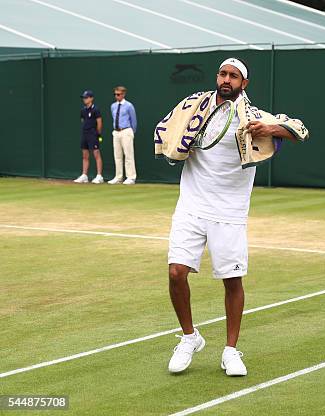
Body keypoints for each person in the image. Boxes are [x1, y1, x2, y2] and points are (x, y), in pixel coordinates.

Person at [164, 58, 309, 376]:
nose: (226, 79)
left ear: (244, 84)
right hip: (191, 205)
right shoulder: (194, 106)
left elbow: (299, 130)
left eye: (234, 76)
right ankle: (190, 337)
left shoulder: (254, 116)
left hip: (229, 212)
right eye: (222, 74)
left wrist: (269, 129)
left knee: (231, 281)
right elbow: (167, 130)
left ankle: (230, 351)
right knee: (176, 273)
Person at [109, 86, 137, 185]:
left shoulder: (129, 106)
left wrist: (131, 132)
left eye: (118, 94)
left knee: (128, 155)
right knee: (117, 156)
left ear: (123, 94)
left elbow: (133, 121)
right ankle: (118, 177)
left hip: (126, 131)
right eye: (115, 94)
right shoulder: (113, 106)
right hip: (116, 132)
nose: (116, 96)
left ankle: (131, 177)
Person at [73, 90, 104, 184]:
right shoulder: (83, 110)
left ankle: (99, 176)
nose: (84, 99)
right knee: (85, 155)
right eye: (83, 98)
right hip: (85, 134)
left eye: (86, 98)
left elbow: (99, 122)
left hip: (93, 134)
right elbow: (83, 121)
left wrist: (98, 133)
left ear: (91, 98)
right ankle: (84, 175)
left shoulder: (96, 109)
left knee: (96, 154)